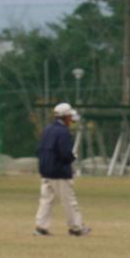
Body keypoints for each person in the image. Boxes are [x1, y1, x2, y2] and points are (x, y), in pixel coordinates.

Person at [33, 102, 89, 237]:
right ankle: (76, 228)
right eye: (70, 117)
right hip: (59, 172)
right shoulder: (63, 132)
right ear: (65, 117)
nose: (71, 120)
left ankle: (41, 227)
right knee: (69, 201)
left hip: (45, 170)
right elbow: (64, 152)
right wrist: (71, 159)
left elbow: (39, 150)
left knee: (46, 200)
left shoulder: (47, 130)